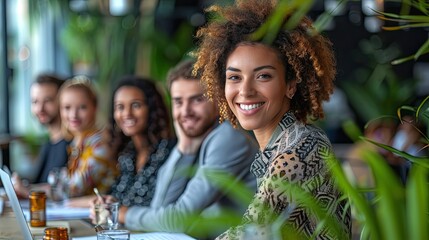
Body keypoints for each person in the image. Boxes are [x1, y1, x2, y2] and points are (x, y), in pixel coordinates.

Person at [194, 0, 351, 239]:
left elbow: (249, 232)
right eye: (234, 77)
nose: (245, 91)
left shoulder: (300, 149)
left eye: (263, 76)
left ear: (290, 85)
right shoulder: (284, 141)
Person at [92, 59, 258, 237]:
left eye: (197, 100)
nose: (185, 111)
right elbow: (160, 207)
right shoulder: (202, 139)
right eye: (178, 102)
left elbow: (177, 220)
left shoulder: (227, 139)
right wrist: (184, 147)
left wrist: (123, 213)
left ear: (218, 101)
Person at [107, 76, 176, 207]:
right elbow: (116, 198)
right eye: (120, 107)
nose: (127, 113)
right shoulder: (127, 154)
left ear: (152, 108)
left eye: (136, 105)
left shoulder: (168, 151)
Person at [58, 76, 117, 201]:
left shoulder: (99, 145)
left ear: (94, 108)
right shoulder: (77, 143)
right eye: (67, 107)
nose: (73, 114)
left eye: (82, 107)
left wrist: (32, 191)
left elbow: (73, 190)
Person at [12, 74, 69, 198]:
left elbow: (66, 189)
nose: (40, 108)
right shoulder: (49, 143)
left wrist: (27, 189)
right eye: (35, 101)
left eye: (48, 100)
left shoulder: (72, 145)